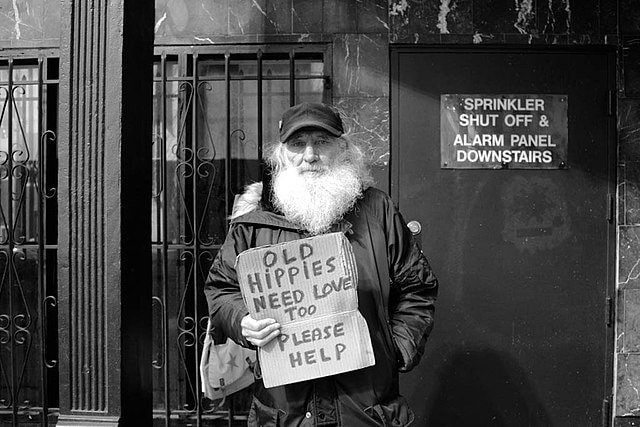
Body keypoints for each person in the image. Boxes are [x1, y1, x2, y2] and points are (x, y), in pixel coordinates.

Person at [204, 102, 438, 426]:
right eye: (298, 145)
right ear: (283, 155)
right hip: (286, 412)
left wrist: (396, 349)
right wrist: (242, 322)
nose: (310, 155)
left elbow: (417, 286)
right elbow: (221, 288)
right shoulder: (253, 224)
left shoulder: (376, 211)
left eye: (322, 142)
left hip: (368, 410)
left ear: (342, 148)